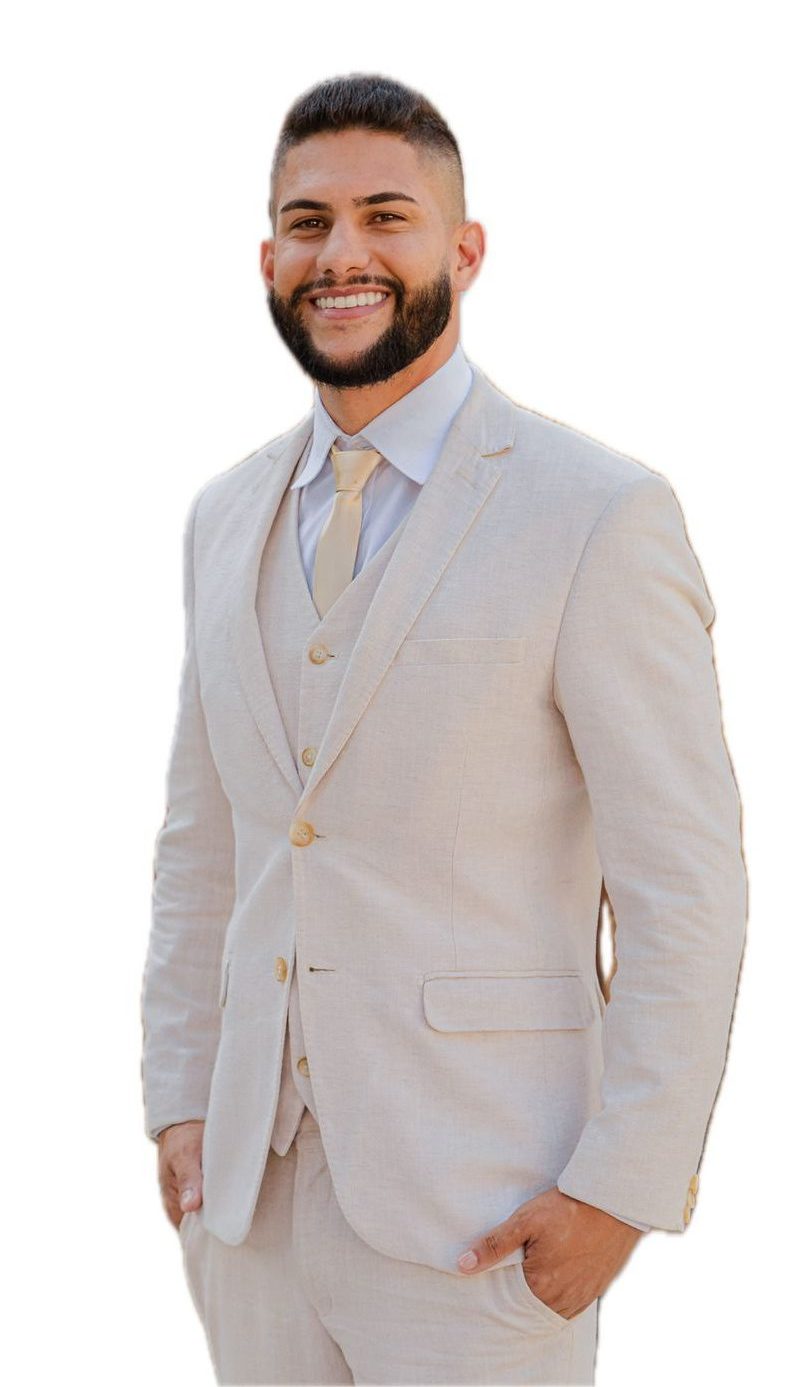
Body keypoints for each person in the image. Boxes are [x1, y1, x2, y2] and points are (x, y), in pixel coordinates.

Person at [140, 73, 748, 1386]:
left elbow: (682, 883)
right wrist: (180, 1101)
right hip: (250, 1208)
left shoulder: (595, 513)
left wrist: (622, 1188)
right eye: (306, 223)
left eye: (386, 216)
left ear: (463, 252)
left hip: (489, 1209)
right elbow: (206, 843)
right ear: (267, 259)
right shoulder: (224, 515)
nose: (341, 254)